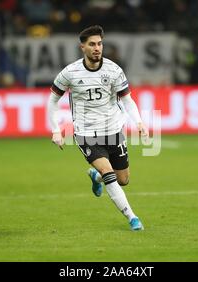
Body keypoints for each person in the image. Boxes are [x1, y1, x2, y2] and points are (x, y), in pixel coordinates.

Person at [47, 25, 147, 231]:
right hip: (86, 134)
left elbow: (127, 100)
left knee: (123, 179)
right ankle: (132, 217)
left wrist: (138, 122)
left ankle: (96, 176)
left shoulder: (114, 70)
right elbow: (52, 101)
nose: (97, 48)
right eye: (92, 44)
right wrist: (55, 129)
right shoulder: (70, 73)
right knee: (110, 175)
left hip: (113, 131)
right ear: (82, 47)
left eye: (99, 44)